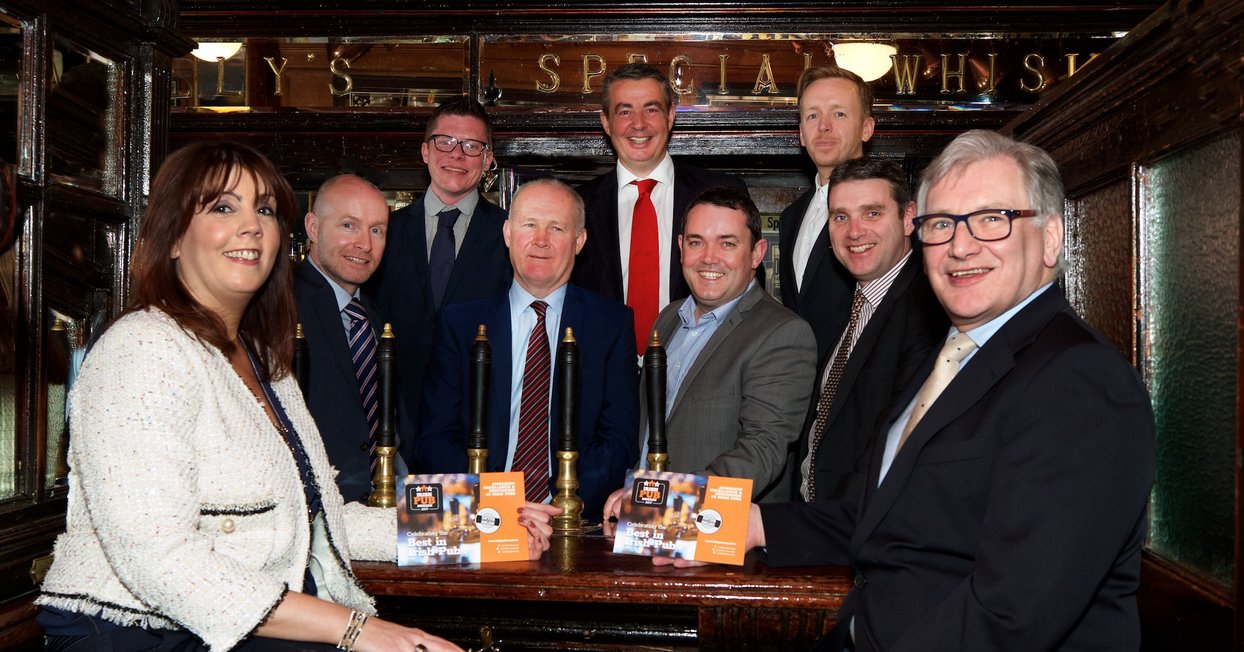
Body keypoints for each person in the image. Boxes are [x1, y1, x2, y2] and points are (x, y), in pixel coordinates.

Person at [35, 142, 556, 652]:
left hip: (233, 623)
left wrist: (484, 521)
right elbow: (160, 559)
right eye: (222, 206)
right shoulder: (142, 347)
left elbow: (327, 519)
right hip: (135, 631)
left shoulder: (263, 360)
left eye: (263, 209)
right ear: (172, 237)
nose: (251, 225)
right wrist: (358, 630)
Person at [740, 131, 1155, 650]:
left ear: (1051, 238)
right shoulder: (952, 352)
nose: (960, 245)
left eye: (992, 219)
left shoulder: (1081, 383)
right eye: (941, 224)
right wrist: (720, 522)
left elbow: (1009, 616)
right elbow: (879, 515)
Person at [418, 178, 639, 521]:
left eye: (556, 228)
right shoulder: (459, 324)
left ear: (579, 241)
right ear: (508, 233)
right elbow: (435, 436)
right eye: (529, 225)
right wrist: (495, 509)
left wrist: (561, 503)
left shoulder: (611, 324)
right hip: (477, 516)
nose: (540, 240)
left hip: (573, 519)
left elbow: (619, 440)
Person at [603, 186, 815, 516]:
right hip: (641, 525)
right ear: (680, 248)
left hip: (716, 541)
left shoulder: (783, 333)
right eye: (696, 242)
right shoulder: (669, 318)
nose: (708, 257)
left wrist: (665, 505)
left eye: (727, 243)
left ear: (757, 254)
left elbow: (762, 450)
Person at [794, 158, 947, 502]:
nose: (854, 231)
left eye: (872, 213)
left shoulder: (930, 312)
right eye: (841, 217)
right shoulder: (849, 306)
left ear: (909, 218)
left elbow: (905, 451)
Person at [572, 62, 750, 352]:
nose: (638, 124)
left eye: (651, 109)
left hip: (699, 371)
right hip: (602, 374)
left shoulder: (721, 192)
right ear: (605, 122)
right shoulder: (576, 205)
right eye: (624, 111)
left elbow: (749, 290)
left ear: (670, 117)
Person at [369, 97, 512, 447]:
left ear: (488, 160)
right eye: (444, 142)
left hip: (481, 428)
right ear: (425, 152)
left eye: (472, 146)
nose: (457, 155)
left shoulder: (512, 236)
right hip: (390, 428)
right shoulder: (383, 232)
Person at [295, 174, 411, 504]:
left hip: (385, 506)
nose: (365, 243)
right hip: (321, 512)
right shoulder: (279, 305)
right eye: (349, 225)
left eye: (377, 230)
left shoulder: (371, 314)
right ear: (313, 228)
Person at [777, 66, 875, 360]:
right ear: (802, 134)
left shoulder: (883, 213)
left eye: (839, 114)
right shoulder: (791, 217)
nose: (824, 127)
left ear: (866, 128)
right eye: (812, 115)